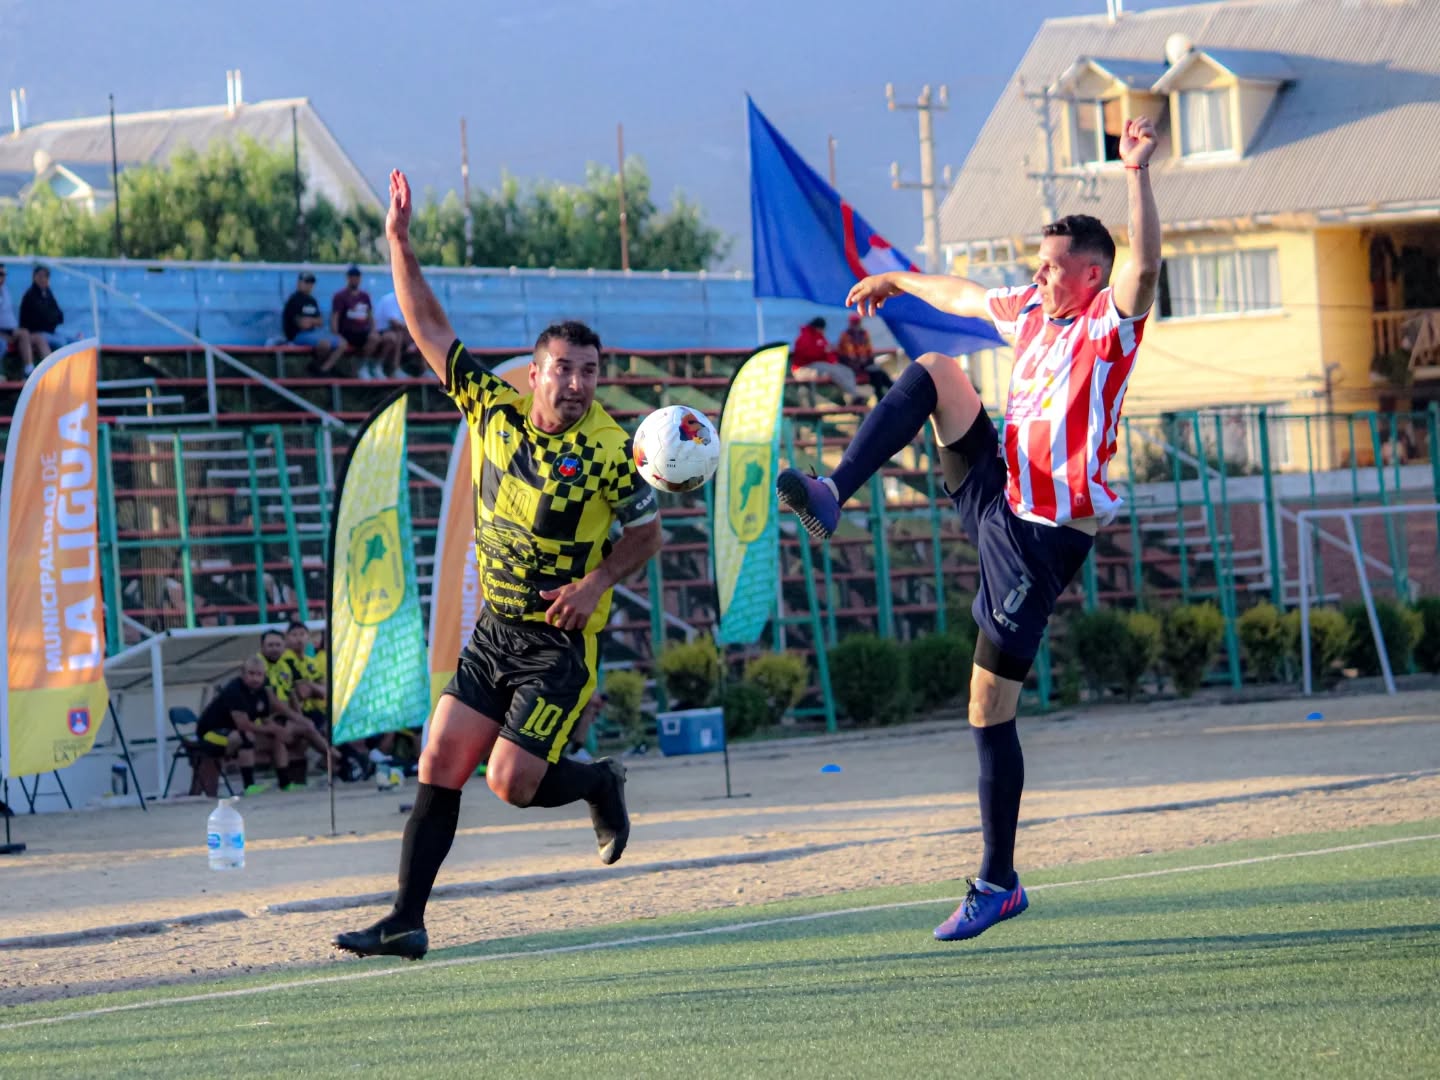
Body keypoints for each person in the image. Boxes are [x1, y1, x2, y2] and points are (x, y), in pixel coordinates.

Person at [775, 116, 1161, 942]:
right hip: (998, 489)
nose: (1040, 274)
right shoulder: (1030, 311)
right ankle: (834, 492)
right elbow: (959, 293)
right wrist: (898, 281)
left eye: (1056, 267)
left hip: (1042, 537)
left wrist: (1136, 175)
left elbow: (1148, 266)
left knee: (988, 707)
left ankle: (998, 882)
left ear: (1094, 277)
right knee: (938, 370)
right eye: (1040, 263)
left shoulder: (1108, 329)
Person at [334, 169, 662, 961]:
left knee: (510, 783)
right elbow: (428, 328)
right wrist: (398, 242)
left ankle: (598, 783)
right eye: (564, 369)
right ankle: (406, 920)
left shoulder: (614, 451)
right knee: (440, 758)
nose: (578, 383)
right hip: (494, 630)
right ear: (538, 373)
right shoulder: (493, 407)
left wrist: (594, 583)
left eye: (590, 371)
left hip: (556, 643)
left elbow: (648, 535)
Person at [259, 628, 342, 788]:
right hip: (264, 719)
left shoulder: (285, 665)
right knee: (291, 733)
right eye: (270, 645)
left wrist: (300, 717)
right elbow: (282, 698)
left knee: (310, 728)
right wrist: (299, 717)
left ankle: (334, 762)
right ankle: (337, 759)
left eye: (277, 645)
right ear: (262, 647)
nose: (274, 648)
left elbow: (294, 695)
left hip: (288, 716)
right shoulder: (259, 666)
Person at [193, 656, 278, 797]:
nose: (255, 678)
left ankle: (286, 781)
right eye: (251, 674)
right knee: (246, 736)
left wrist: (278, 731)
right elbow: (243, 724)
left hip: (231, 734)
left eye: (259, 674)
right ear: (242, 674)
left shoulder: (262, 691)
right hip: (209, 734)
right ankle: (249, 785)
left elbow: (266, 719)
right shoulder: (235, 689)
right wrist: (273, 729)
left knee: (277, 738)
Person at [790, 317, 865, 404]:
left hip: (820, 366)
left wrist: (831, 357)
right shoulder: (804, 337)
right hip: (804, 368)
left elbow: (828, 353)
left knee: (847, 371)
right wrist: (822, 351)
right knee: (833, 370)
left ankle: (852, 397)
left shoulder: (820, 337)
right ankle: (854, 397)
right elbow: (806, 355)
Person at [281, 271, 344, 374]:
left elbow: (320, 321)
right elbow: (301, 324)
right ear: (299, 283)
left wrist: (310, 321)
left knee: (342, 343)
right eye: (306, 282)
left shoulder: (312, 301)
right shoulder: (294, 300)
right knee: (325, 344)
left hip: (313, 333)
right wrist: (312, 321)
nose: (309, 285)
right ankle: (317, 366)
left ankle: (325, 369)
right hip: (297, 335)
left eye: (311, 283)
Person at [330, 265, 383, 380]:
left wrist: (374, 330)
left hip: (362, 331)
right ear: (347, 278)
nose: (354, 279)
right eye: (352, 277)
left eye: (357, 277)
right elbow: (335, 317)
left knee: (377, 338)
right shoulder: (340, 296)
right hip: (347, 332)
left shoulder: (365, 296)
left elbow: (370, 315)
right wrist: (336, 335)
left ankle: (365, 366)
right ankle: (359, 368)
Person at [836, 314, 894, 399]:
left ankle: (889, 395)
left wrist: (866, 360)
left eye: (857, 323)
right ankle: (882, 397)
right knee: (876, 374)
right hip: (851, 366)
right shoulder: (846, 335)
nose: (856, 325)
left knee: (880, 374)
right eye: (854, 323)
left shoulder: (864, 333)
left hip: (864, 364)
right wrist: (860, 362)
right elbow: (848, 354)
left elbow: (868, 351)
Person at [0, 263, 41, 378]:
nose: (3, 277)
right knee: (3, 343)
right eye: (0, 274)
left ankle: (32, 371)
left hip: (10, 330)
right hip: (3, 333)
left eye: (4, 274)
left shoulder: (4, 290)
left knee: (32, 337)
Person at [19, 265, 69, 355]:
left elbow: (59, 315)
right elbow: (42, 317)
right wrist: (52, 318)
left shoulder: (47, 293)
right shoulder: (31, 295)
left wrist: (53, 318)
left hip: (50, 331)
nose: (43, 279)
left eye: (46, 276)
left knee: (73, 339)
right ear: (34, 277)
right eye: (40, 276)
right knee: (61, 342)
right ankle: (59, 368)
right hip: (36, 333)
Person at [373, 289, 418, 377]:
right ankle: (382, 367)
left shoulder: (407, 300)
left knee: (421, 338)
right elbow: (394, 323)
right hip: (382, 331)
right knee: (397, 336)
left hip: (397, 331)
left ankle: (423, 370)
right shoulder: (390, 300)